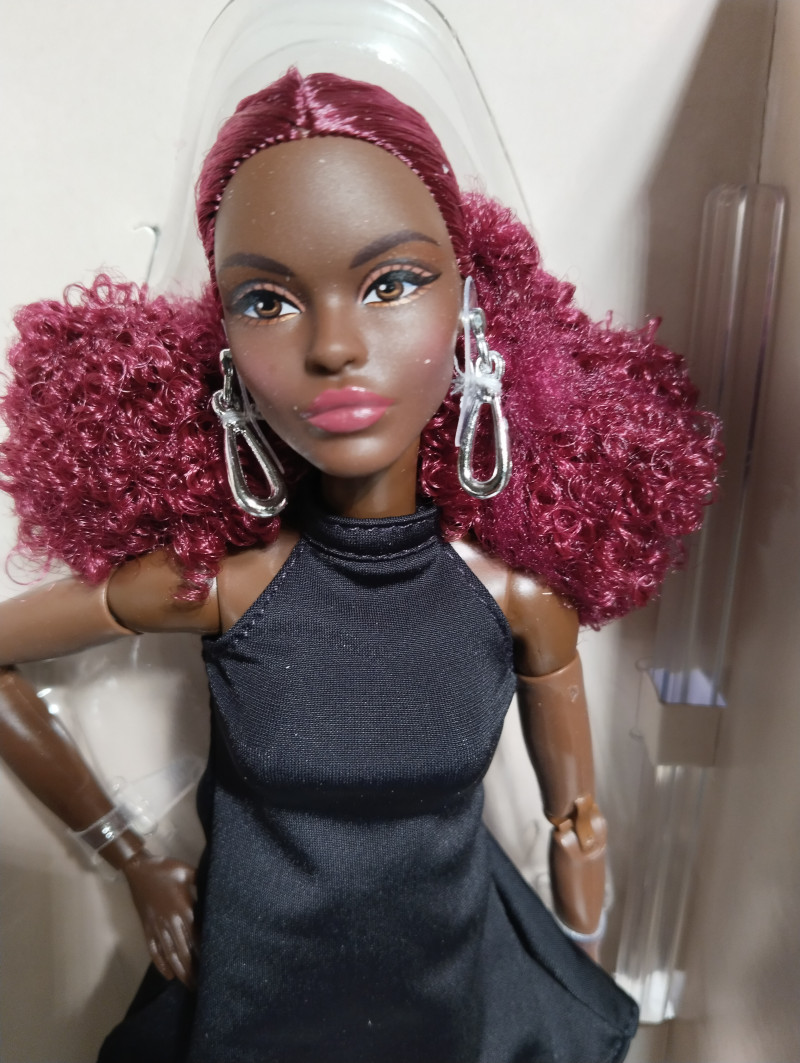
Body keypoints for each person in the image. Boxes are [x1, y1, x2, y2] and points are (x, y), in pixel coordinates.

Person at [0, 69, 720, 1062]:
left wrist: (578, 940)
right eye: (265, 300)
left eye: (392, 283)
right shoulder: (222, 589)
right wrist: (132, 858)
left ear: (471, 306)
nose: (335, 346)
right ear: (224, 347)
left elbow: (576, 815)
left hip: (449, 983)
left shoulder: (514, 601)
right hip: (259, 988)